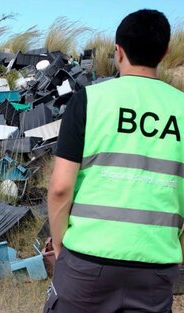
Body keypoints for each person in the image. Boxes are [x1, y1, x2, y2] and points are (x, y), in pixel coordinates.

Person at [45, 9, 183, 313]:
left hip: (87, 262)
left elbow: (59, 188)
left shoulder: (90, 100)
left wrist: (59, 247)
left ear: (118, 51)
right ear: (165, 53)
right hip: (155, 265)